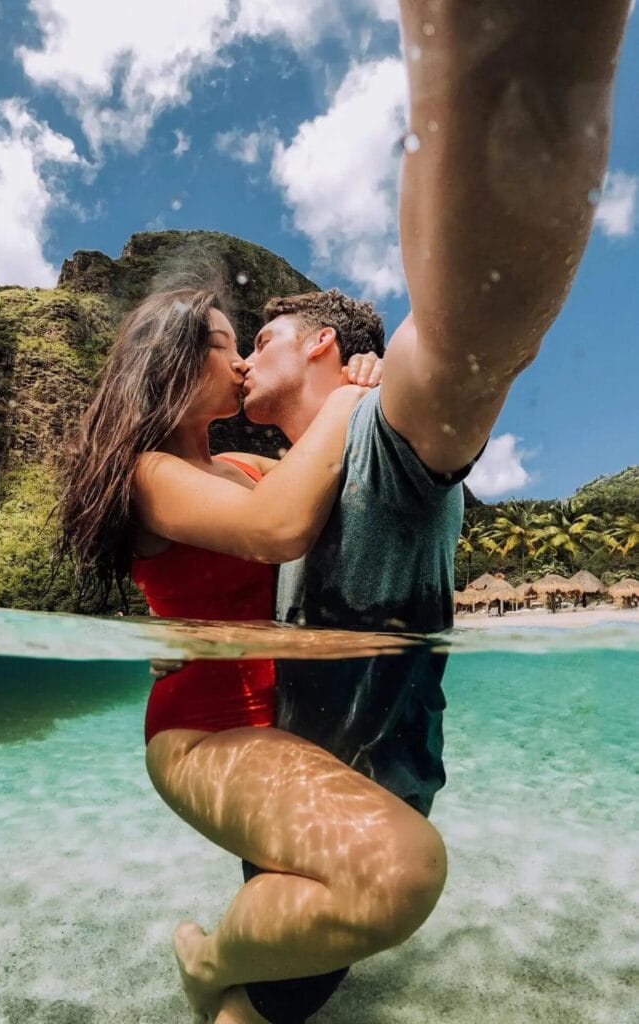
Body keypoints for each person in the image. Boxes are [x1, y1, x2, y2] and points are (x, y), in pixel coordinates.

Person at [183, 3, 630, 1021]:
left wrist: (499, 47)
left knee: (262, 1001)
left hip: (364, 826)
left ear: (330, 349)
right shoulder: (277, 484)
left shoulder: (390, 443)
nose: (247, 355)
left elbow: (477, 329)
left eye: (266, 332)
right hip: (289, 810)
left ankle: (212, 970)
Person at [56, 287, 447, 1023]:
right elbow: (274, 532)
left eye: (249, 345)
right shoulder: (147, 475)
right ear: (170, 360)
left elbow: (346, 489)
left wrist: (360, 385)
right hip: (204, 734)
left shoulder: (243, 464)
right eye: (223, 344)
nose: (239, 364)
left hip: (284, 729)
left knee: (327, 919)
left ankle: (243, 991)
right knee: (396, 870)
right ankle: (205, 959)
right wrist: (342, 405)